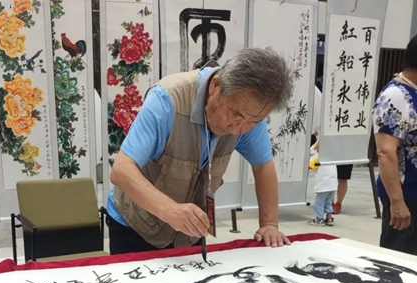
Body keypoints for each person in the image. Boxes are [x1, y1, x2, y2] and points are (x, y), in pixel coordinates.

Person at [107, 47, 294, 255]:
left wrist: (269, 224)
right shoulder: (167, 100)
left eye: (253, 122)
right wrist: (170, 210)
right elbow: (121, 170)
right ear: (216, 86)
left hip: (188, 230)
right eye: (235, 115)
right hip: (135, 226)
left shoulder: (249, 114)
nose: (238, 129)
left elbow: (263, 166)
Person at [372, 34, 417, 255]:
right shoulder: (395, 96)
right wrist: (397, 202)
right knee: (400, 261)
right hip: (406, 196)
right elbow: (385, 152)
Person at [308, 131, 337, 226]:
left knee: (319, 203)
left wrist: (320, 136)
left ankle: (319, 219)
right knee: (328, 203)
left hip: (324, 184)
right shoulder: (331, 155)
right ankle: (329, 218)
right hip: (333, 184)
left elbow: (312, 148)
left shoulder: (315, 155)